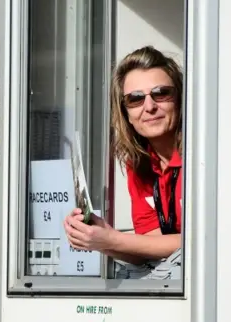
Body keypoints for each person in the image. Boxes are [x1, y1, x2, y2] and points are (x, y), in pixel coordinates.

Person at [63, 46, 183, 279]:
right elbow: (152, 247)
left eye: (161, 93)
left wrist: (114, 240)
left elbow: (203, 242)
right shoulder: (139, 162)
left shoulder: (202, 156)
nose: (149, 107)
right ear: (125, 111)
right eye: (135, 99)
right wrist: (99, 238)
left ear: (179, 99)